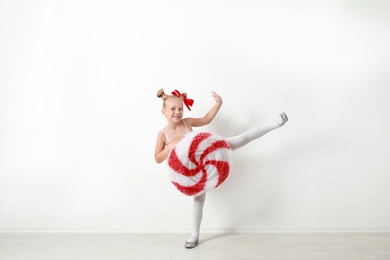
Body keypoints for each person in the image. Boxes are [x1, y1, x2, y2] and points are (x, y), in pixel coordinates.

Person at [154, 89, 288, 249]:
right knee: (198, 201)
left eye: (180, 109)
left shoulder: (187, 122)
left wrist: (218, 103)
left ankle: (276, 124)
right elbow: (158, 158)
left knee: (242, 139)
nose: (178, 112)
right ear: (164, 112)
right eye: (173, 109)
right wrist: (171, 145)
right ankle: (194, 235)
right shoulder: (162, 134)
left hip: (208, 153)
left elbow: (206, 119)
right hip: (191, 173)